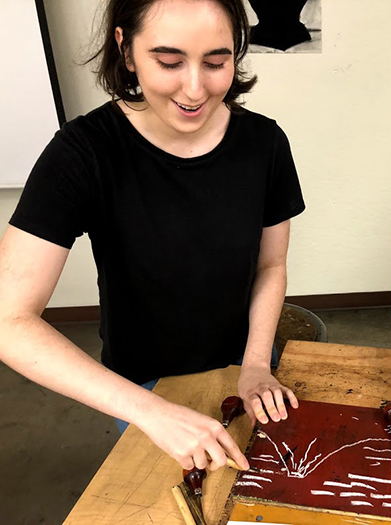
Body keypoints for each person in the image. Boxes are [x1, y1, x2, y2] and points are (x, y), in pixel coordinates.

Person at [0, 0, 304, 473]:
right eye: (169, 62)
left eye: (217, 61)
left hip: (246, 367)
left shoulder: (264, 144)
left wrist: (257, 364)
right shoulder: (83, 153)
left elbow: (270, 265)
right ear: (125, 50)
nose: (195, 88)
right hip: (141, 384)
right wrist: (149, 411)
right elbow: (8, 320)